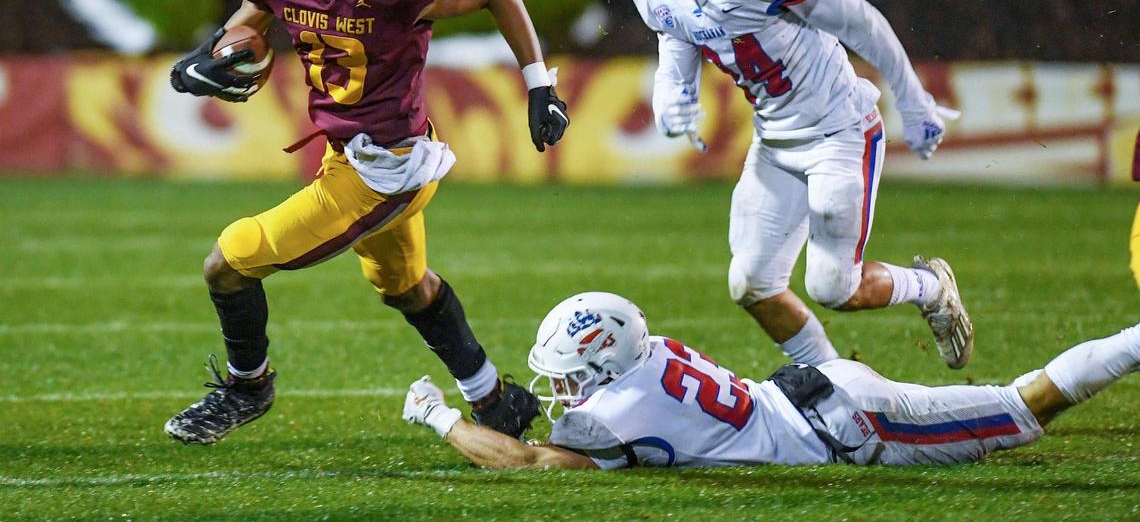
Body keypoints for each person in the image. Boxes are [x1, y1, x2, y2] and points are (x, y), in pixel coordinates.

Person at [164, 0, 569, 444]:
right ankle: (492, 399)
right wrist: (204, 59)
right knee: (406, 287)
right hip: (345, 151)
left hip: (389, 166)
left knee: (228, 262)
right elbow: (251, 18)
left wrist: (539, 86)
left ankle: (248, 387)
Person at [627, 0, 970, 370]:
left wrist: (913, 98)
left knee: (834, 288)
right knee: (750, 284)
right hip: (776, 143)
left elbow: (863, 25)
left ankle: (932, 288)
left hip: (840, 131)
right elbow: (676, 43)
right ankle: (834, 382)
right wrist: (671, 99)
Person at [402, 291, 1140, 469]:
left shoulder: (612, 414)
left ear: (601, 364)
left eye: (570, 376)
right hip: (816, 390)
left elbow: (529, 461)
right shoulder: (646, 350)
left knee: (1023, 401)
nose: (563, 391)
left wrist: (437, 414)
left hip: (851, 422)